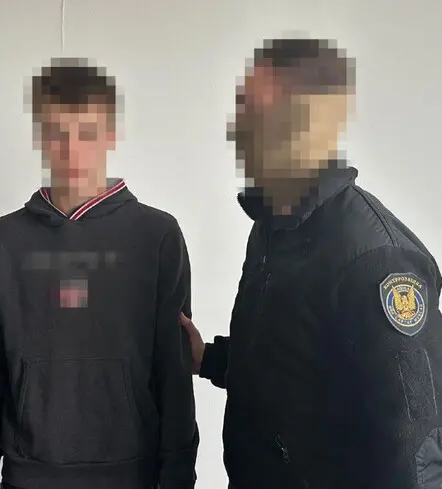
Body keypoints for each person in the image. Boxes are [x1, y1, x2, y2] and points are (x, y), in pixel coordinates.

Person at [180, 37, 442, 489]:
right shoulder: (270, 229)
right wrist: (209, 359)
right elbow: (290, 366)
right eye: (243, 112)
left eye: (261, 114)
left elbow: (417, 456)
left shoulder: (377, 260)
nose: (239, 131)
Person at [0, 58, 198, 489]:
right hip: (28, 473)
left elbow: (174, 372)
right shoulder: (5, 239)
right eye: (57, 133)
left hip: (132, 474)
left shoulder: (157, 236)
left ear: (111, 135)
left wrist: (179, 477)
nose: (71, 150)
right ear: (40, 135)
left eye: (87, 133)